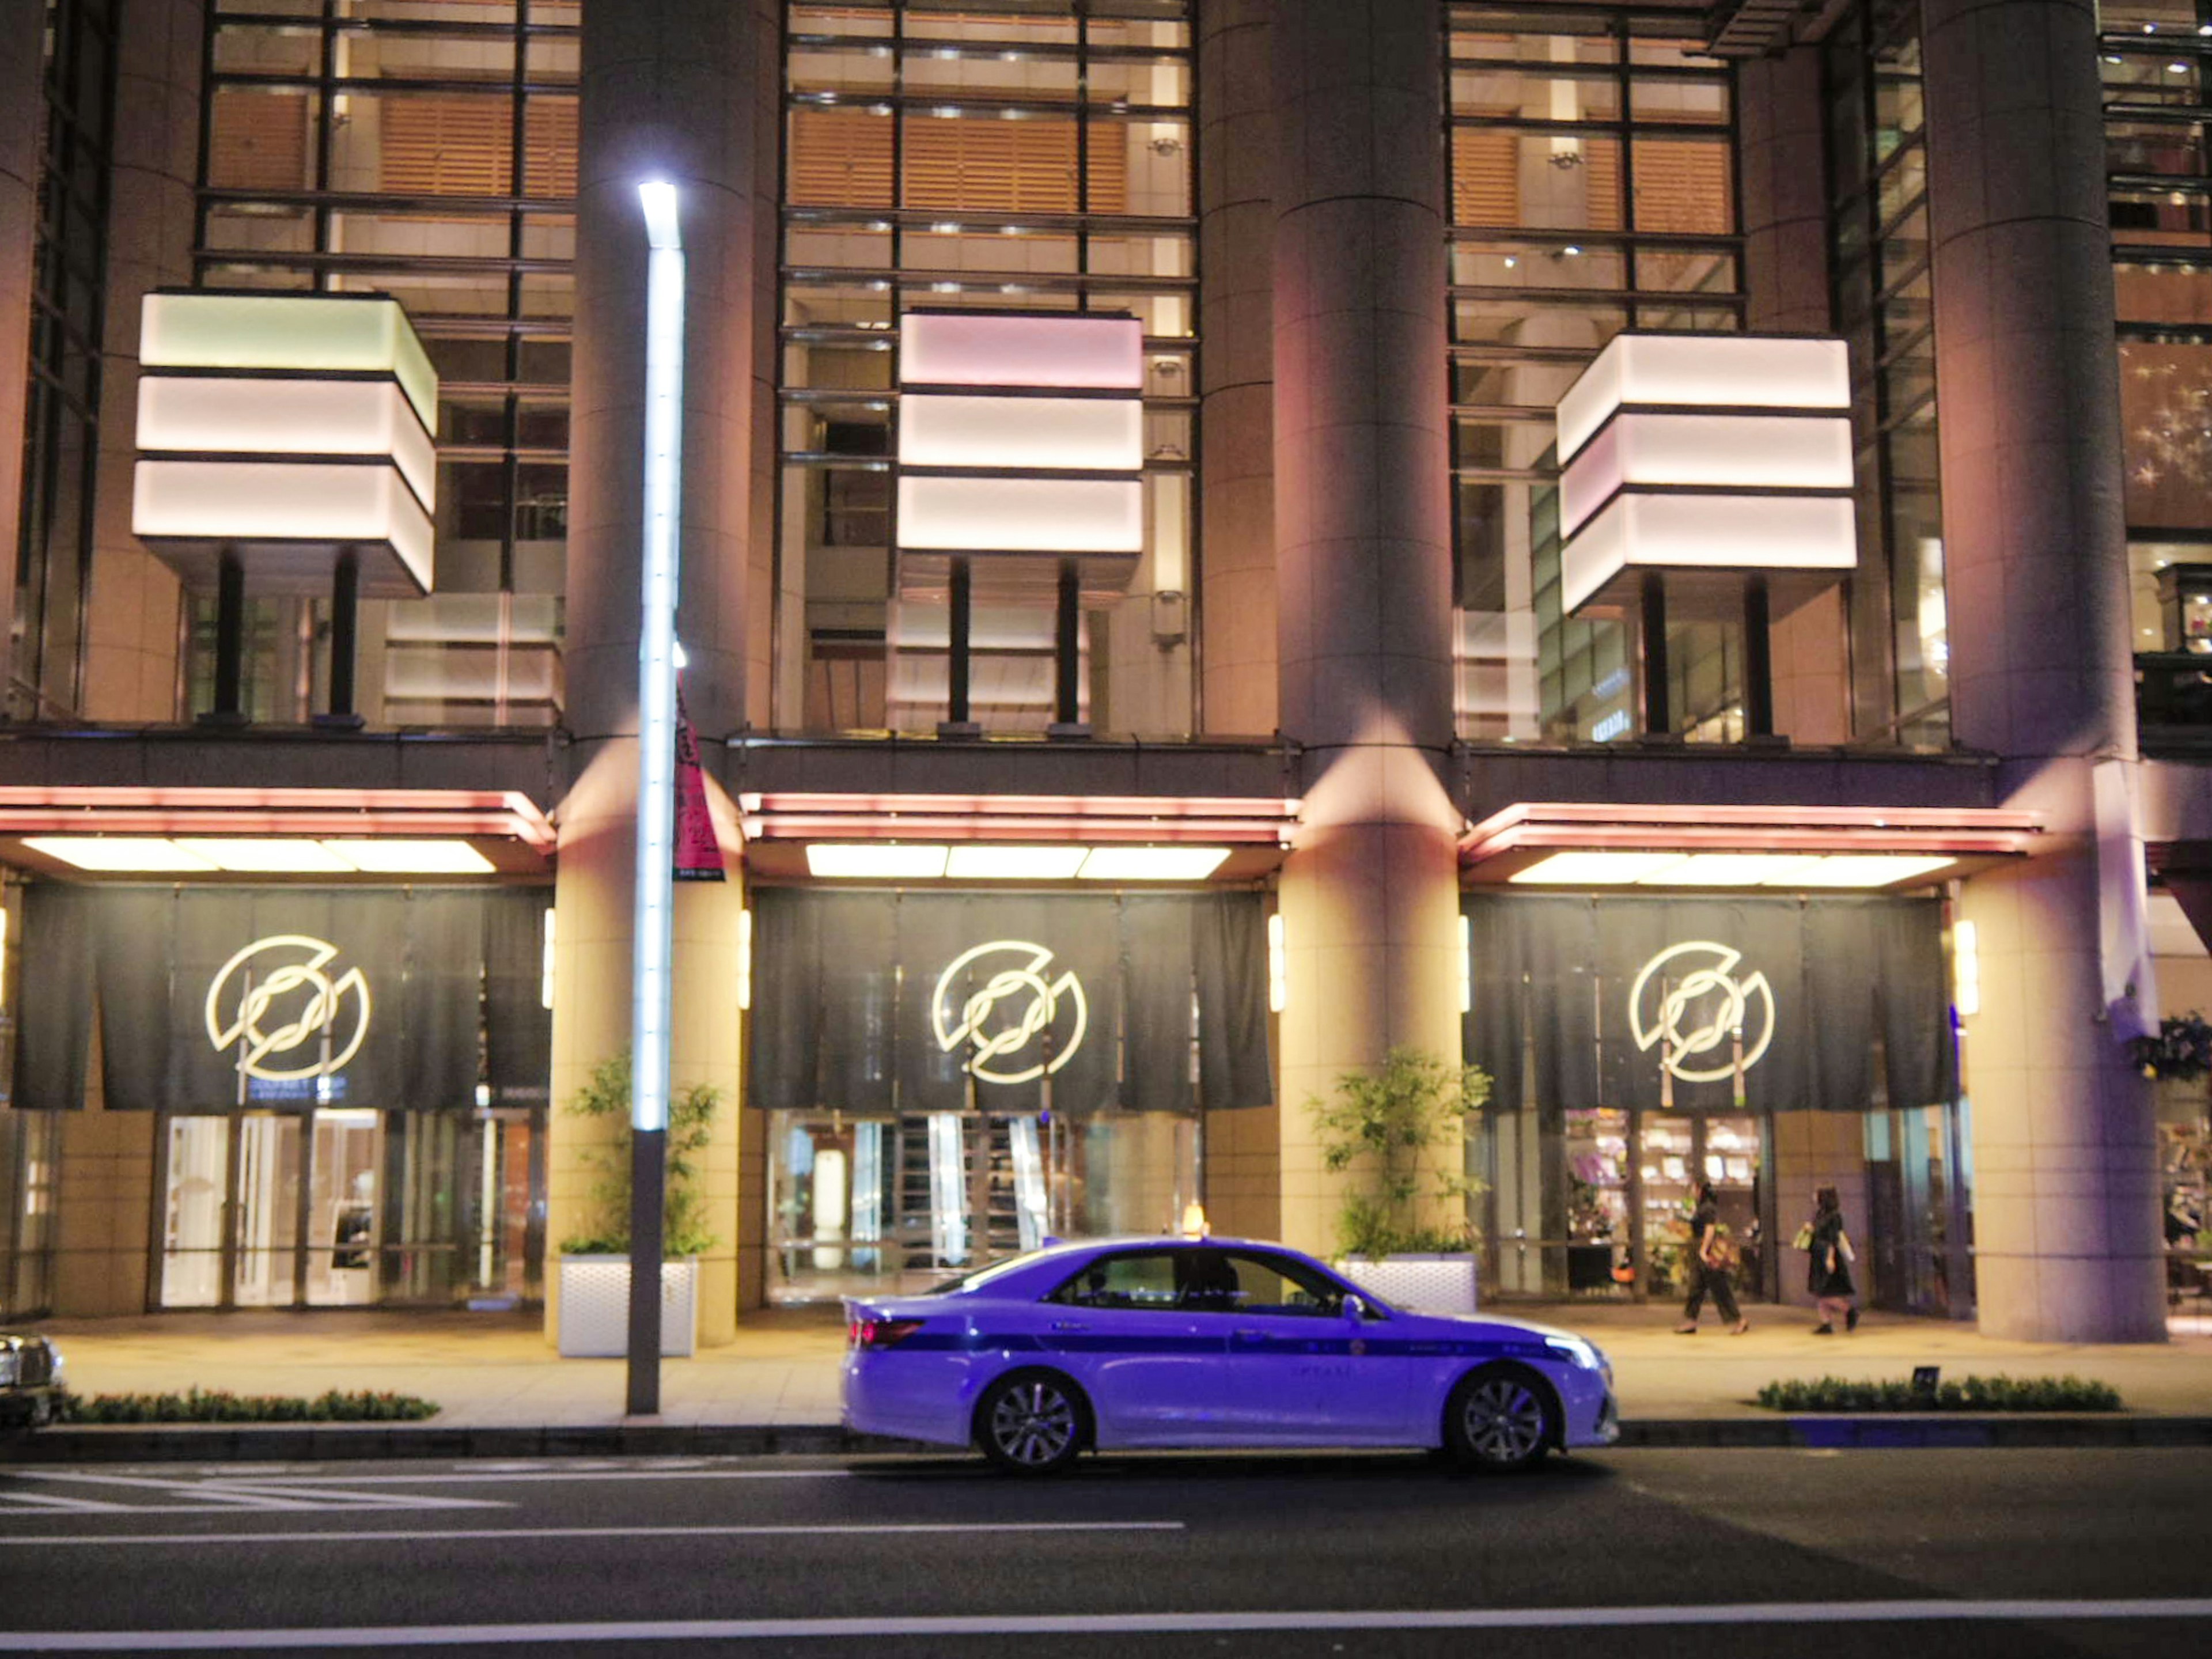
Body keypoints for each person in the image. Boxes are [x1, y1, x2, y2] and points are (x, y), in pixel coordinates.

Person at [1674, 1179, 1749, 1335]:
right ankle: (1691, 1321)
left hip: (1705, 1252)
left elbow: (1710, 1229)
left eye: (1694, 1188)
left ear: (1700, 1190)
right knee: (1696, 1287)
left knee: (1719, 1288)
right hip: (1698, 1250)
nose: (1692, 1192)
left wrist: (1703, 1250)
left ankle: (1739, 1320)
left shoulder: (1707, 1208)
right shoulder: (1701, 1207)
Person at [1807, 1184, 1858, 1334]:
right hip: (1818, 1255)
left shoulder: (1834, 1216)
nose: (1814, 1197)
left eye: (1817, 1194)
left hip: (1827, 1255)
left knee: (1826, 1292)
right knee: (1820, 1292)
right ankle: (1826, 1323)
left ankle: (1849, 1310)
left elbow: (1833, 1239)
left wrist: (1830, 1258)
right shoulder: (1820, 1214)